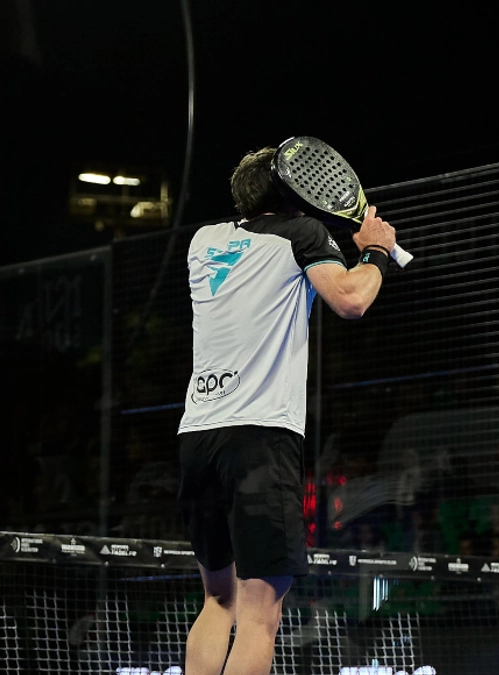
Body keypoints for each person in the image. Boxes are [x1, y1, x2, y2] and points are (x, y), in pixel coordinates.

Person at [175, 147, 396, 675]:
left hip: (197, 438)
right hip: (259, 441)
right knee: (259, 616)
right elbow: (351, 299)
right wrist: (377, 252)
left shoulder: (203, 242)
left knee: (217, 602)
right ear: (293, 195)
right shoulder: (301, 234)